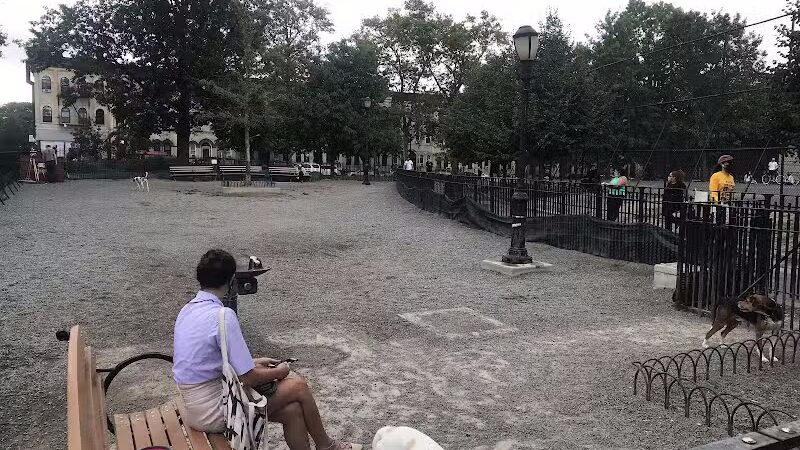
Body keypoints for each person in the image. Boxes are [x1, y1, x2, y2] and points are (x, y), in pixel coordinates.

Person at [173, 250, 361, 450]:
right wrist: (279, 372)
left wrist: (254, 361)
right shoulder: (222, 315)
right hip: (214, 410)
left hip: (194, 407)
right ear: (231, 281)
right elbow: (249, 378)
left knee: (293, 410)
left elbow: (210, 363)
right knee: (298, 387)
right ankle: (328, 446)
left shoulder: (188, 309)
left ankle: (326, 446)